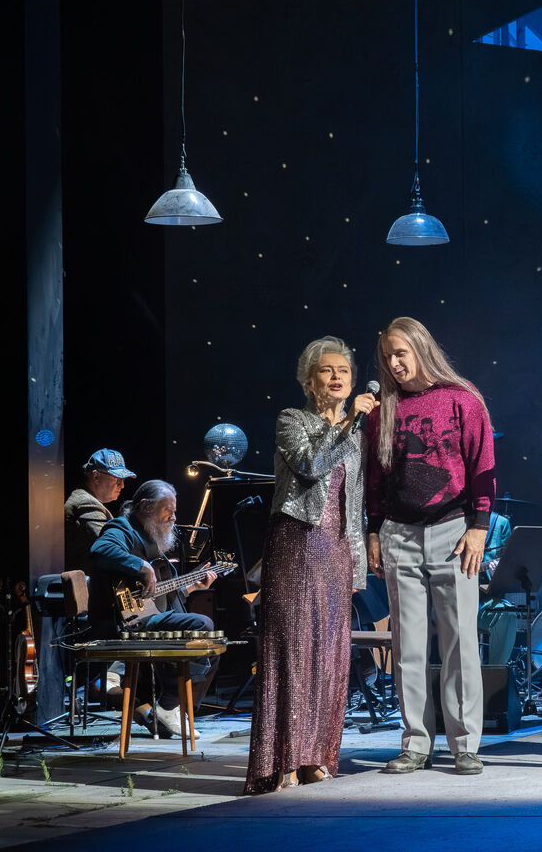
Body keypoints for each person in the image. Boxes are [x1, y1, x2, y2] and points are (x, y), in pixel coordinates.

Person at [244, 336, 376, 794]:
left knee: (330, 652)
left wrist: (358, 557)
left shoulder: (358, 434)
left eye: (345, 370)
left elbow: (355, 502)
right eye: (327, 370)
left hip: (337, 549)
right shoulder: (292, 420)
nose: (337, 377)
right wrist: (349, 421)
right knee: (292, 649)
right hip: (298, 542)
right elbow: (310, 465)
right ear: (309, 379)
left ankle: (315, 756)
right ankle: (280, 760)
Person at [364, 317, 495, 775]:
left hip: (453, 529)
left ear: (421, 349)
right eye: (387, 357)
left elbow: (483, 464)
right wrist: (374, 531)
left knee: (460, 642)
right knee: (408, 646)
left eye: (400, 353)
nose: (394, 364)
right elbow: (375, 479)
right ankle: (416, 743)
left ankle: (465, 745)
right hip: (398, 533)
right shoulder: (382, 410)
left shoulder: (462, 398)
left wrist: (479, 526)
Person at [87, 480, 217, 736]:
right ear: (146, 507)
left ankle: (176, 709)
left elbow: (158, 596)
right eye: (168, 509)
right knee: (202, 625)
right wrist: (142, 566)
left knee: (212, 644)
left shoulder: (151, 539)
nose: (174, 517)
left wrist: (192, 586)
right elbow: (100, 550)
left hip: (149, 617)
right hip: (127, 621)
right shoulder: (121, 528)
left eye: (175, 511)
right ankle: (168, 705)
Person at [64, 449, 135, 573]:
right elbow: (110, 549)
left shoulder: (86, 499)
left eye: (124, 480)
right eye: (118, 479)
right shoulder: (86, 502)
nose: (122, 485)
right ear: (96, 477)